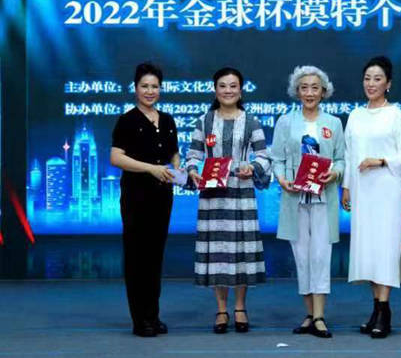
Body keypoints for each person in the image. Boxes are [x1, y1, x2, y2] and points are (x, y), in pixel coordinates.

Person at [184, 67, 271, 334]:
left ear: (240, 91)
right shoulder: (204, 121)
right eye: (223, 86)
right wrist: (192, 170)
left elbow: (264, 156)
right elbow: (193, 155)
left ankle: (240, 307)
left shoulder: (251, 121)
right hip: (213, 195)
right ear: (215, 90)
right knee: (218, 251)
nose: (228, 90)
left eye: (233, 86)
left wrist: (252, 167)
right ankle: (221, 309)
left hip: (241, 193)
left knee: (241, 250)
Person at [341, 56, 401, 339]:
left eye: (377, 79)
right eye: (367, 78)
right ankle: (376, 308)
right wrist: (347, 187)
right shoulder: (355, 116)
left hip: (387, 189)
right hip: (362, 190)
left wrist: (381, 160)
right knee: (368, 249)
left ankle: (384, 311)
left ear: (388, 84)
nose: (371, 84)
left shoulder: (396, 115)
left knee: (385, 248)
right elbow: (349, 154)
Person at [271, 66, 345, 339]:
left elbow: (341, 159)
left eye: (315, 87)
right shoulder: (285, 122)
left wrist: (335, 173)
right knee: (302, 257)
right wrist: (281, 178)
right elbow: (277, 158)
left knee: (320, 255)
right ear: (297, 91)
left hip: (324, 198)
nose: (309, 92)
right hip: (295, 197)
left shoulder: (334, 123)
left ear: (323, 92)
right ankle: (309, 315)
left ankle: (320, 316)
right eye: (304, 87)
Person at [110, 62, 180, 337]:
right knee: (137, 257)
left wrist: (177, 169)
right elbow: (116, 158)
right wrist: (151, 168)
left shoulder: (168, 120)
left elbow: (173, 153)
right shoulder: (127, 120)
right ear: (135, 88)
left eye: (155, 86)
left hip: (162, 196)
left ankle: (153, 315)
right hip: (136, 196)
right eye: (144, 86)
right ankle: (140, 320)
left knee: (155, 256)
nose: (150, 91)